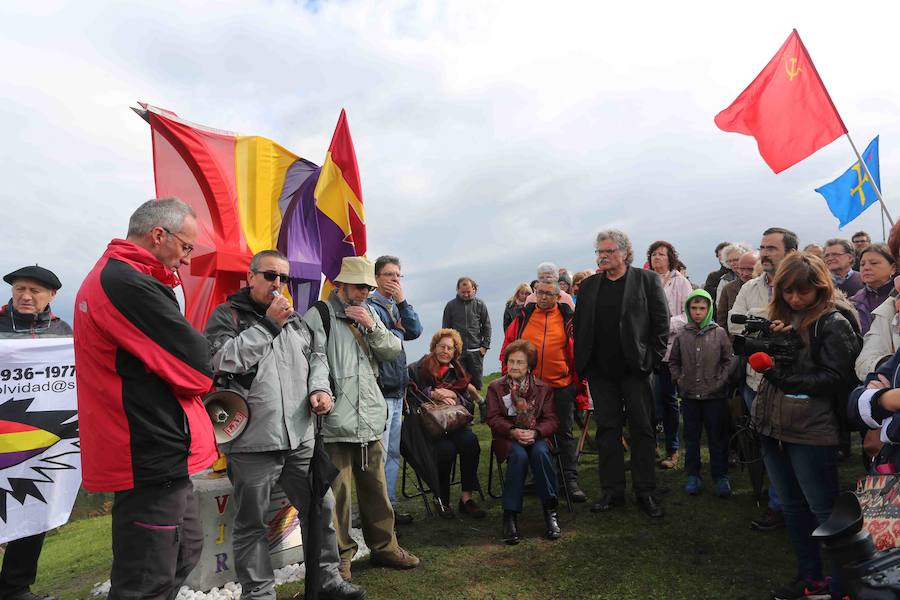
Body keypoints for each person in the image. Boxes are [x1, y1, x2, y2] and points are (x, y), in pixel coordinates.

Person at [73, 198, 217, 598]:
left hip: (163, 450)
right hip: (146, 450)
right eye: (187, 247)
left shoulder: (129, 276)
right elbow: (198, 368)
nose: (187, 260)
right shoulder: (124, 281)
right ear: (159, 235)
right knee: (146, 578)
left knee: (184, 552)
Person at [204, 250, 364, 600]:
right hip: (250, 442)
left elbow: (317, 358)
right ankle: (259, 593)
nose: (278, 285)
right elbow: (221, 361)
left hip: (301, 436)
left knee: (319, 508)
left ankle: (327, 580)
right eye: (270, 276)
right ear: (250, 277)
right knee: (251, 524)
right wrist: (267, 326)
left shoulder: (295, 320)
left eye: (284, 278)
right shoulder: (227, 315)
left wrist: (320, 389)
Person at [750, 253, 860, 600]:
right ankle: (811, 578)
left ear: (821, 288)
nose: (795, 299)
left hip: (813, 430)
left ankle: (846, 585)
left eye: (803, 292)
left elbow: (835, 378)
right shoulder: (781, 317)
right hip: (773, 424)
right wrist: (775, 346)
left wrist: (783, 374)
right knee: (794, 508)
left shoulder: (833, 322)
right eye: (788, 292)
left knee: (824, 510)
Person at [303, 257, 419, 581]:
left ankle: (386, 547)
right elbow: (315, 360)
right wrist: (319, 391)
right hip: (336, 422)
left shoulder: (370, 314)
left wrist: (371, 325)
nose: (364, 292)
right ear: (339, 285)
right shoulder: (319, 315)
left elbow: (393, 350)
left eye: (367, 287)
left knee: (377, 491)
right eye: (359, 286)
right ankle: (341, 557)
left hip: (369, 418)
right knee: (336, 498)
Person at [574, 229, 669, 518]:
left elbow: (661, 325)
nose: (603, 257)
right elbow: (580, 326)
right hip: (601, 373)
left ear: (625, 253)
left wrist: (650, 360)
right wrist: (586, 364)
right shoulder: (589, 286)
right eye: (599, 252)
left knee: (642, 429)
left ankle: (645, 491)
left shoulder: (646, 280)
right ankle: (612, 491)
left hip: (636, 370)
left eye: (609, 251)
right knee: (607, 431)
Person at [0, 265, 71, 600]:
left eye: (34, 291)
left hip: (40, 435)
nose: (25, 297)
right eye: (19, 290)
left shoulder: (63, 333)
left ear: (52, 296)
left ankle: (15, 587)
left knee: (31, 505)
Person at [729, 226, 798, 532]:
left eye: (771, 248)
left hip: (794, 382)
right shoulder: (749, 288)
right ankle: (778, 505)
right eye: (763, 248)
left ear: (790, 253)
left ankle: (798, 505)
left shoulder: (802, 285)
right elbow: (733, 326)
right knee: (768, 444)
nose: (765, 254)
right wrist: (767, 329)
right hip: (756, 381)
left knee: (795, 446)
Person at [500, 279, 586, 502]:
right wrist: (508, 378)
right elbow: (508, 347)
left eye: (549, 293)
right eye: (540, 293)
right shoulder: (522, 318)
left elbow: (578, 350)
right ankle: (533, 477)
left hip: (561, 385)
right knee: (528, 431)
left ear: (559, 297)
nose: (544, 297)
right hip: (529, 389)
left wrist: (577, 383)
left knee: (564, 433)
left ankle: (569, 479)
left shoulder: (569, 318)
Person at [366, 255, 423, 526]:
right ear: (376, 277)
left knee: (392, 453)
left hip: (398, 390)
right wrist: (396, 333)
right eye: (389, 275)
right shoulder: (370, 306)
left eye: (399, 275)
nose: (395, 280)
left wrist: (402, 303)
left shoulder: (396, 306)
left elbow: (416, 329)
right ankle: (378, 512)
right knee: (379, 454)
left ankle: (389, 507)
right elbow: (382, 343)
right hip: (380, 390)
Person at [486, 340, 561, 544]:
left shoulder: (543, 388)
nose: (514, 366)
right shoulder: (495, 387)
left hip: (536, 436)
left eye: (520, 362)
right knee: (518, 457)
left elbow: (552, 420)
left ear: (529, 366)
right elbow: (492, 418)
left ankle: (550, 511)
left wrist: (536, 433)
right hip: (509, 438)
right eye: (511, 362)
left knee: (540, 453)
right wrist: (513, 431)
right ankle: (510, 515)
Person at [407, 329, 484, 519]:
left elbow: (468, 407)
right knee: (446, 450)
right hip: (430, 428)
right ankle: (441, 499)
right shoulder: (418, 369)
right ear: (434, 347)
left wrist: (455, 396)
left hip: (455, 425)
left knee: (470, 442)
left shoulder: (458, 373)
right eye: (442, 346)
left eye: (450, 348)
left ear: (455, 353)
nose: (445, 351)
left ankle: (467, 498)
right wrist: (431, 393)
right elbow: (411, 398)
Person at [668, 289, 735, 497]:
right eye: (694, 308)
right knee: (691, 438)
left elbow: (728, 360)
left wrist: (720, 381)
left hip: (715, 396)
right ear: (688, 309)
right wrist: (678, 379)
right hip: (689, 396)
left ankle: (720, 475)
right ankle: (693, 474)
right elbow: (674, 361)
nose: (698, 312)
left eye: (702, 308)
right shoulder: (682, 335)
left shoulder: (719, 333)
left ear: (709, 309)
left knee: (717, 437)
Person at [647, 240, 692, 470]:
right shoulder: (644, 280)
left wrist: (663, 326)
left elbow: (688, 315)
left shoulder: (680, 282)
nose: (657, 258)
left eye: (661, 254)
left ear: (670, 257)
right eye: (654, 254)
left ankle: (672, 449)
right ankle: (650, 444)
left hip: (670, 349)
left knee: (668, 400)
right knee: (646, 400)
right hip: (646, 350)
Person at [442, 277, 491, 391]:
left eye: (468, 292)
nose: (466, 294)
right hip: (458, 352)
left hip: (476, 351)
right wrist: (449, 349)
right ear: (457, 290)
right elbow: (445, 330)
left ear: (473, 289)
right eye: (463, 292)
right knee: (460, 382)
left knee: (476, 383)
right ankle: (465, 407)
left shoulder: (480, 305)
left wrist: (484, 346)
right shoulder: (450, 306)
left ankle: (479, 405)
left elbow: (487, 326)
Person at [849, 243, 896, 335]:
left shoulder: (897, 297)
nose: (866, 268)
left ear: (893, 268)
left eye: (874, 263)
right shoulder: (853, 302)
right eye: (862, 264)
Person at [716, 251, 758, 332]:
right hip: (736, 340)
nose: (745, 273)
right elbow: (722, 320)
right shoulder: (728, 289)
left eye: (750, 269)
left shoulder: (769, 287)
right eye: (742, 269)